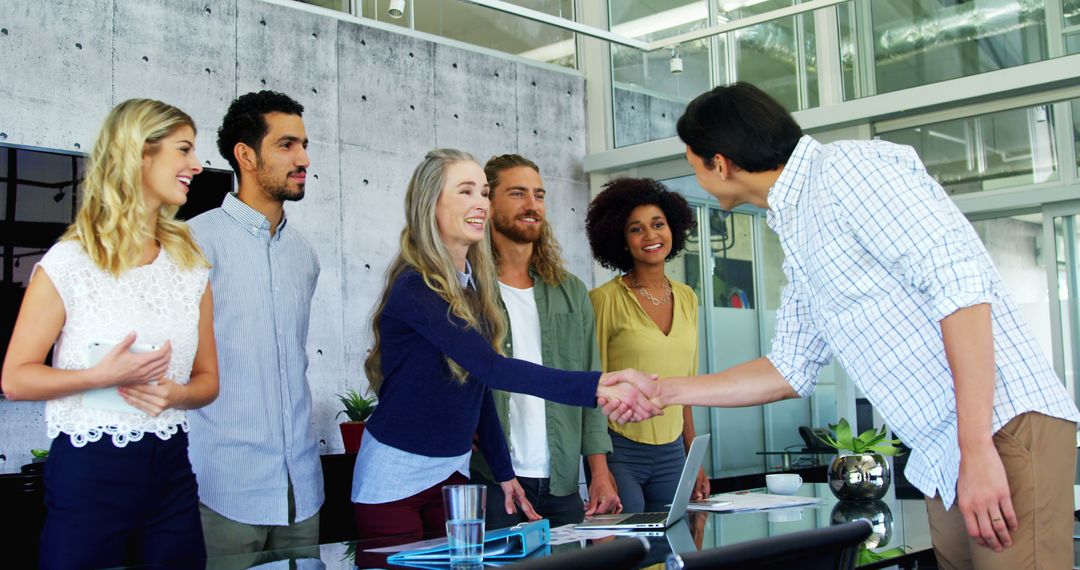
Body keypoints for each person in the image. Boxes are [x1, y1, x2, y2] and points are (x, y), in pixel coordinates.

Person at [610, 82, 1080, 569]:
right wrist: (663, 391)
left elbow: (960, 288)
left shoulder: (846, 171)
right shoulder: (796, 226)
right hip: (947, 450)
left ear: (721, 163)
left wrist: (976, 446)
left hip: (1000, 427)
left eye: (695, 166)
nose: (698, 180)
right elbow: (788, 369)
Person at [351, 149, 661, 540]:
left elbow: (477, 391)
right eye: (466, 191)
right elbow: (493, 368)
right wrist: (596, 386)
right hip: (394, 480)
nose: (480, 203)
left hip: (451, 475)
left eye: (482, 192)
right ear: (431, 204)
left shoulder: (471, 288)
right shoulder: (416, 286)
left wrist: (503, 472)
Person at [1, 98, 219, 568]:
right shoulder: (70, 263)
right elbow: (15, 379)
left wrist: (173, 397)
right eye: (183, 150)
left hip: (172, 470)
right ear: (140, 153)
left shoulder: (190, 266)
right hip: (88, 471)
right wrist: (101, 376)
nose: (196, 165)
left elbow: (207, 381)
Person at [186, 91, 323, 556]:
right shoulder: (193, 243)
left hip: (302, 491)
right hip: (224, 490)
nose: (303, 158)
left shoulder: (304, 254)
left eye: (303, 144)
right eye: (286, 145)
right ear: (245, 155)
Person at [469, 154, 622, 529]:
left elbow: (591, 384)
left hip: (563, 484)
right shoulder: (468, 288)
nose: (532, 205)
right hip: (494, 482)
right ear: (488, 202)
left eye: (538, 195)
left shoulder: (570, 291)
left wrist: (599, 472)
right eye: (518, 194)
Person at [586, 178, 710, 514]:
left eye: (658, 224)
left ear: (673, 228)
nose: (651, 236)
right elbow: (588, 392)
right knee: (629, 549)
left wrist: (692, 458)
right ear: (622, 241)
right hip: (619, 449)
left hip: (672, 451)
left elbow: (685, 390)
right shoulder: (603, 300)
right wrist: (598, 469)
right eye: (636, 229)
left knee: (672, 549)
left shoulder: (687, 297)